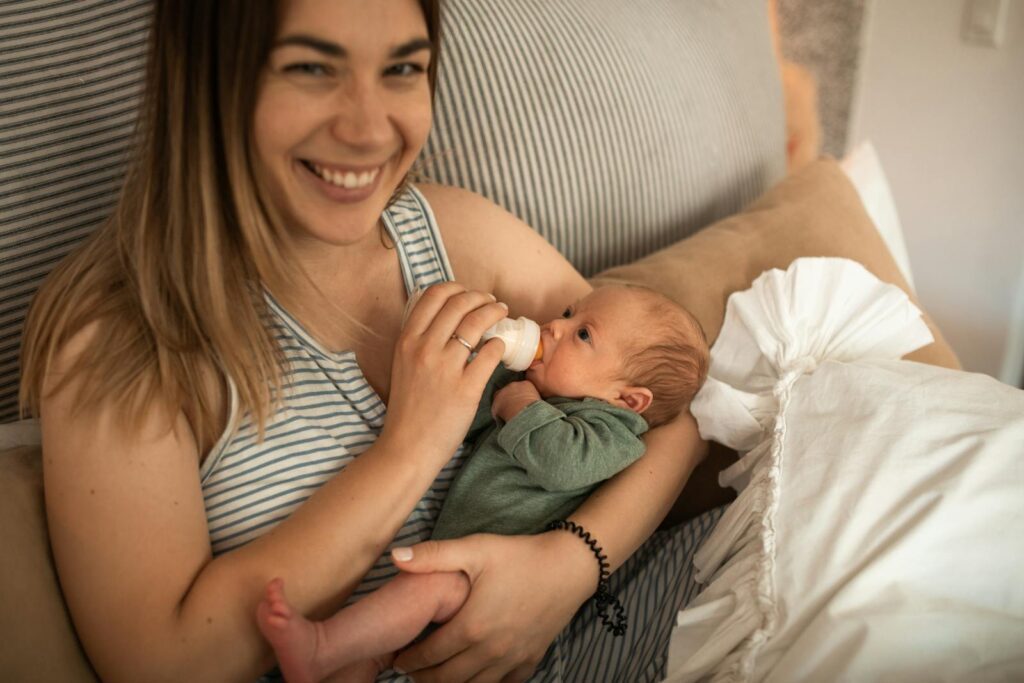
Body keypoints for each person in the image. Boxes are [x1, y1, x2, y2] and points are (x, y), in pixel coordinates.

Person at [19, 1, 711, 681]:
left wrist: (565, 569)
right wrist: (411, 447)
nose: (369, 128)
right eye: (313, 68)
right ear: (212, 79)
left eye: (402, 68)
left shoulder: (455, 232)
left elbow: (672, 415)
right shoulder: (122, 336)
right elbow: (165, 663)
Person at [256, 285, 710, 683]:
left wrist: (520, 405)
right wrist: (480, 369)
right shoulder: (537, 389)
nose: (554, 326)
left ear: (627, 398)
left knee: (421, 592)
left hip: (492, 579)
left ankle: (322, 644)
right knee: (378, 650)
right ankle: (327, 665)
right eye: (570, 314)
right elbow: (463, 420)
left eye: (583, 334)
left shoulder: (613, 433)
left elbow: (563, 465)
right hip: (461, 550)